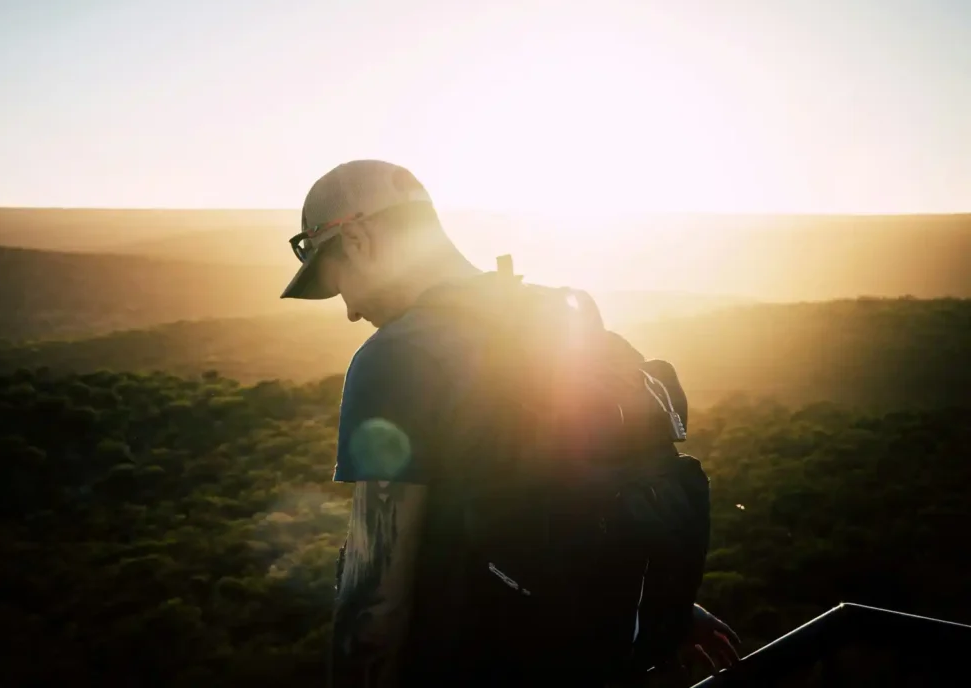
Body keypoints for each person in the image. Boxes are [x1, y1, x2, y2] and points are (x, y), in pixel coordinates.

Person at [281, 160, 740, 687]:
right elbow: (589, 490)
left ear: (359, 241)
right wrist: (661, 604)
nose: (351, 313)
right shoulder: (557, 314)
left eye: (341, 287)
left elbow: (373, 599)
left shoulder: (395, 356)